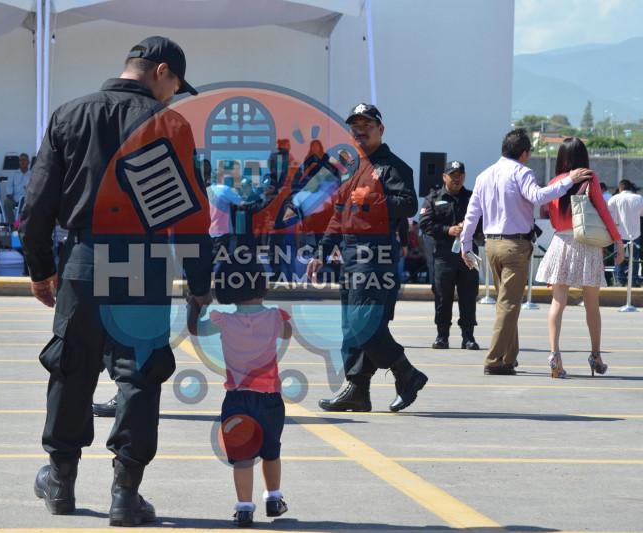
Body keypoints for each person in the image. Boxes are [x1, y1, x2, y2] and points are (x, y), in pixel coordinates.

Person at [21, 36, 212, 526]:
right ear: (161, 71)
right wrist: (199, 280)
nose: (174, 96)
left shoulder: (70, 114)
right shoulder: (169, 124)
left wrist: (41, 269)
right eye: (175, 86)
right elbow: (190, 214)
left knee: (72, 366)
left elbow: (37, 205)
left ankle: (60, 481)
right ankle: (126, 494)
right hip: (143, 261)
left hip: (85, 257)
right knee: (139, 373)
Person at [306, 103, 428, 413]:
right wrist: (322, 251)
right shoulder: (352, 168)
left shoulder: (393, 167)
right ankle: (357, 390)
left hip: (375, 254)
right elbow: (338, 214)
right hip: (349, 253)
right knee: (351, 325)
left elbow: (409, 204)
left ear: (380, 130)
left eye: (367, 126)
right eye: (355, 126)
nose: (360, 131)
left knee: (365, 323)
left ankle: (406, 373)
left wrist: (373, 199)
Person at [460, 129, 593, 375]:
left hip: (491, 245)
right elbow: (538, 196)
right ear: (524, 153)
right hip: (515, 246)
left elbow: (472, 214)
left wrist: (465, 245)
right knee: (509, 305)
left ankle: (509, 357)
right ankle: (494, 359)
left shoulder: (484, 175)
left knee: (505, 302)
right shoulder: (522, 172)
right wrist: (569, 180)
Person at [187, 255, 290, 527]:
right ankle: (273, 497)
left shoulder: (222, 320)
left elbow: (195, 329)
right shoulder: (276, 316)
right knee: (271, 450)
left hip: (237, 398)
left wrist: (195, 304)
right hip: (270, 398)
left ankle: (244, 507)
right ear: (263, 284)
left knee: (243, 457)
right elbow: (288, 332)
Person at [534, 138, 623, 378]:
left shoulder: (554, 182)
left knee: (557, 302)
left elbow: (551, 217)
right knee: (592, 305)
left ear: (561, 157)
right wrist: (617, 240)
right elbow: (603, 211)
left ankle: (554, 356)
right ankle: (595, 355)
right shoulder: (589, 178)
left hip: (560, 243)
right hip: (586, 244)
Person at [420, 161, 482, 350]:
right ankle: (442, 336)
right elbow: (425, 223)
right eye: (453, 174)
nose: (457, 178)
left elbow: (484, 221)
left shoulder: (473, 198)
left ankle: (468, 337)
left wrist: (469, 228)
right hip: (444, 255)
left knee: (469, 296)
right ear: (444, 177)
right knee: (442, 296)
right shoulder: (434, 198)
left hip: (468, 254)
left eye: (460, 174)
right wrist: (448, 230)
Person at [608, 179, 643, 287]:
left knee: (619, 256)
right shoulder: (639, 198)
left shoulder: (614, 198)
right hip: (635, 232)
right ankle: (634, 279)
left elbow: (608, 214)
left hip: (619, 233)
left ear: (620, 188)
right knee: (635, 258)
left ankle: (619, 280)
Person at [5, 153, 31, 222]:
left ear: (28, 162)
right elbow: (9, 190)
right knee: (7, 203)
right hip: (15, 199)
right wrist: (11, 197)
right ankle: (12, 225)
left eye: (24, 160)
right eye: (20, 160)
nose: (22, 162)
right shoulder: (13, 174)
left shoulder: (32, 175)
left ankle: (29, 226)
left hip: (28, 200)